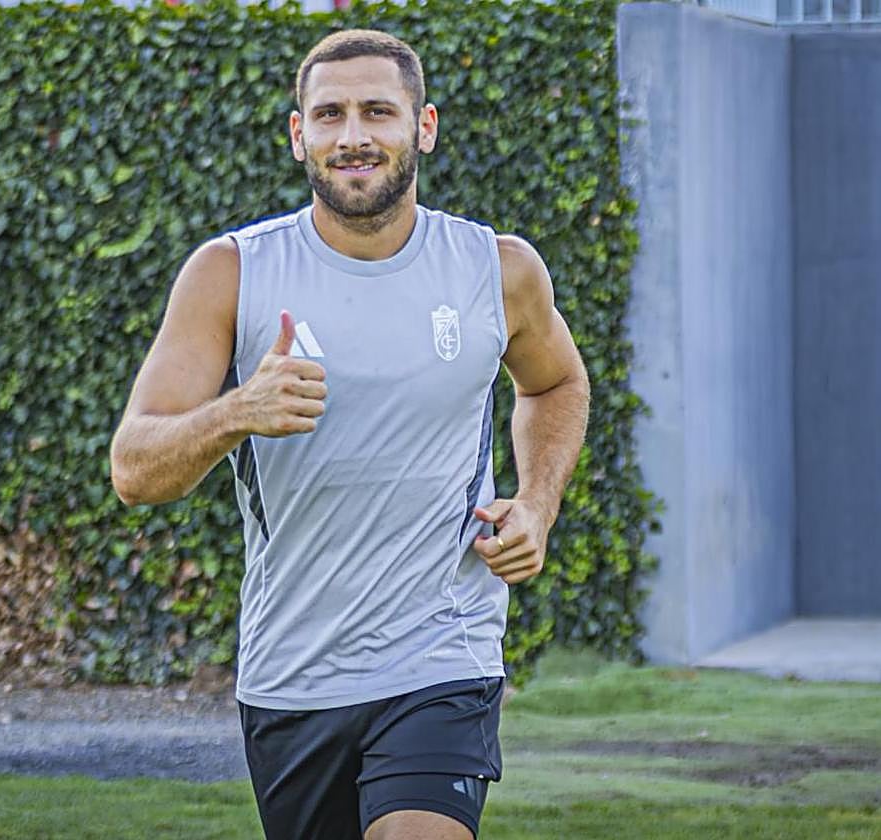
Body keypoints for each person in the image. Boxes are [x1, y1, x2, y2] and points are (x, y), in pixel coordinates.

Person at [109, 28, 589, 840]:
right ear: (299, 135)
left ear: (423, 126)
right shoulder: (231, 273)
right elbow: (134, 468)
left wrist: (537, 504)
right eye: (329, 115)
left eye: (378, 112)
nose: (354, 136)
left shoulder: (495, 269)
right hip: (294, 671)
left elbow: (556, 382)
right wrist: (237, 412)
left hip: (444, 653)